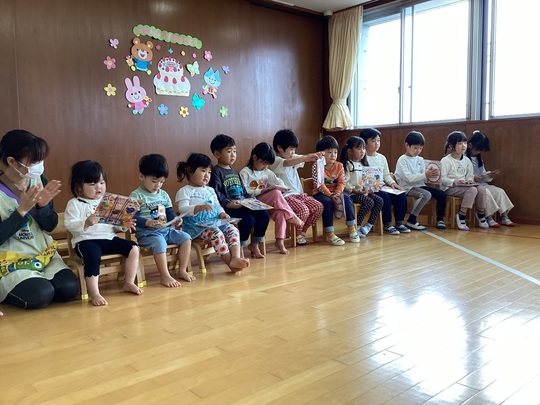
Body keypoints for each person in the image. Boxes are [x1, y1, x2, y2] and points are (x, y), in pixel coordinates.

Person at [0, 129, 79, 310]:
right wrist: (21, 211)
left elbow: (50, 225)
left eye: (41, 160)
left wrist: (43, 207)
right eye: (34, 161)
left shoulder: (39, 179)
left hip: (43, 255)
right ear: (11, 161)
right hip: (10, 261)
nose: (39, 166)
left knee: (69, 289)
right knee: (41, 294)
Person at [64, 160, 143, 306]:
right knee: (92, 256)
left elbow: (114, 225)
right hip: (86, 241)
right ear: (79, 187)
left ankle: (129, 282)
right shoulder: (75, 203)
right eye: (92, 184)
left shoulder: (107, 202)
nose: (98, 187)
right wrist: (86, 223)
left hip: (108, 238)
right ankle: (94, 292)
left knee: (133, 248)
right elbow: (69, 224)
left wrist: (123, 225)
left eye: (101, 182)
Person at [176, 153, 250, 271]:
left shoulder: (210, 190)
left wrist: (222, 214)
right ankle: (230, 263)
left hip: (213, 222)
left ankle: (236, 257)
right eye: (203, 171)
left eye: (209, 172)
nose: (207, 175)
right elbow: (182, 209)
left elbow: (217, 205)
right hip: (195, 227)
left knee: (233, 229)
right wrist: (198, 208)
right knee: (216, 233)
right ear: (190, 171)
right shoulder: (185, 191)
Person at [130, 154, 195, 287]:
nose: (158, 185)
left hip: (166, 231)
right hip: (148, 234)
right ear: (142, 176)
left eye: (161, 182)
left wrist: (175, 220)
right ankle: (165, 276)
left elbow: (170, 212)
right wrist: (147, 222)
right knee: (160, 242)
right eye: (154, 181)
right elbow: (132, 217)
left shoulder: (164, 194)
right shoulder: (136, 195)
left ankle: (182, 270)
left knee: (186, 238)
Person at [209, 134, 270, 259]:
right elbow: (216, 193)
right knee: (248, 219)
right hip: (229, 208)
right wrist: (228, 203)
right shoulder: (216, 172)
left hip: (242, 204)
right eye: (229, 151)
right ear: (217, 154)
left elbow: (243, 191)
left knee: (264, 215)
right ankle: (240, 247)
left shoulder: (235, 171)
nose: (233, 155)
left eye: (234, 151)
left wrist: (252, 201)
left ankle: (254, 244)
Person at [240, 142, 304, 255]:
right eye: (264, 163)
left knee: (280, 213)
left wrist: (281, 187)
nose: (265, 167)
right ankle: (292, 216)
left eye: (267, 164)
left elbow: (279, 181)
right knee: (275, 193)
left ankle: (279, 241)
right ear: (254, 158)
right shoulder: (245, 172)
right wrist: (262, 191)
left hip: (265, 203)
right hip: (252, 202)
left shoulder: (266, 172)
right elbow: (245, 192)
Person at [270, 129, 323, 245]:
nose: (293, 152)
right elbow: (288, 163)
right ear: (280, 148)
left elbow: (303, 157)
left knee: (318, 207)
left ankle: (302, 231)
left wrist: (314, 156)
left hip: (299, 195)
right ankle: (297, 234)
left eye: (294, 149)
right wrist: (307, 157)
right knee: (303, 210)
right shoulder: (275, 161)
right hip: (285, 197)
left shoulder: (293, 157)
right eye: (291, 149)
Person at [359, 128, 410, 235]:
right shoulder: (361, 157)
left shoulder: (382, 158)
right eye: (373, 141)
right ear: (364, 142)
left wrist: (393, 183)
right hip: (369, 189)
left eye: (378, 140)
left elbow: (386, 175)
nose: (376, 143)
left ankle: (399, 222)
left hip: (382, 186)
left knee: (401, 194)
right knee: (384, 196)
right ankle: (387, 224)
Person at [312, 135, 361, 245]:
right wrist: (330, 195)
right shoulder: (317, 166)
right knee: (327, 202)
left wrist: (337, 193)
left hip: (336, 192)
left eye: (335, 152)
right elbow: (320, 184)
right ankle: (329, 233)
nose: (333, 155)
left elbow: (342, 182)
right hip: (320, 193)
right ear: (320, 153)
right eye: (329, 152)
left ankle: (352, 228)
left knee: (346, 198)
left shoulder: (339, 166)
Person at [394, 131, 448, 230]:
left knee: (441, 194)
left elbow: (424, 176)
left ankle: (440, 219)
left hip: (420, 186)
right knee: (426, 194)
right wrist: (425, 175)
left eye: (420, 148)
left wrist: (433, 175)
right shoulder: (402, 160)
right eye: (415, 148)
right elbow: (409, 178)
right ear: (407, 145)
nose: (418, 151)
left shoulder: (420, 159)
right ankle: (411, 220)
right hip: (407, 187)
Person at [440, 131, 488, 231]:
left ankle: (480, 213)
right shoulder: (445, 160)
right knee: (472, 190)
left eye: (465, 143)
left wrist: (470, 181)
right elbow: (442, 178)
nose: (463, 146)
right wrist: (454, 181)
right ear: (451, 146)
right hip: (450, 187)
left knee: (481, 189)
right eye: (459, 143)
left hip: (464, 187)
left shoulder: (467, 160)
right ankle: (461, 215)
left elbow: (469, 176)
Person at [466, 130, 515, 227]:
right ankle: (488, 217)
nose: (479, 152)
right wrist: (473, 177)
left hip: (482, 184)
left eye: (481, 150)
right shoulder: (463, 158)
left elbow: (482, 174)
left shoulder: (479, 159)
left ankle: (504, 216)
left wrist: (489, 175)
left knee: (499, 191)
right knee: (486, 192)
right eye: (478, 149)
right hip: (472, 186)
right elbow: (462, 175)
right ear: (470, 145)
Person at [339, 136, 384, 235]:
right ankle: (357, 226)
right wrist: (355, 190)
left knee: (379, 200)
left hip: (364, 192)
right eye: (359, 148)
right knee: (369, 202)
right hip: (353, 194)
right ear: (350, 151)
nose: (362, 151)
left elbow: (369, 180)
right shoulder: (347, 165)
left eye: (363, 148)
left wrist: (373, 187)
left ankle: (369, 225)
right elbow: (344, 182)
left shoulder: (364, 165)